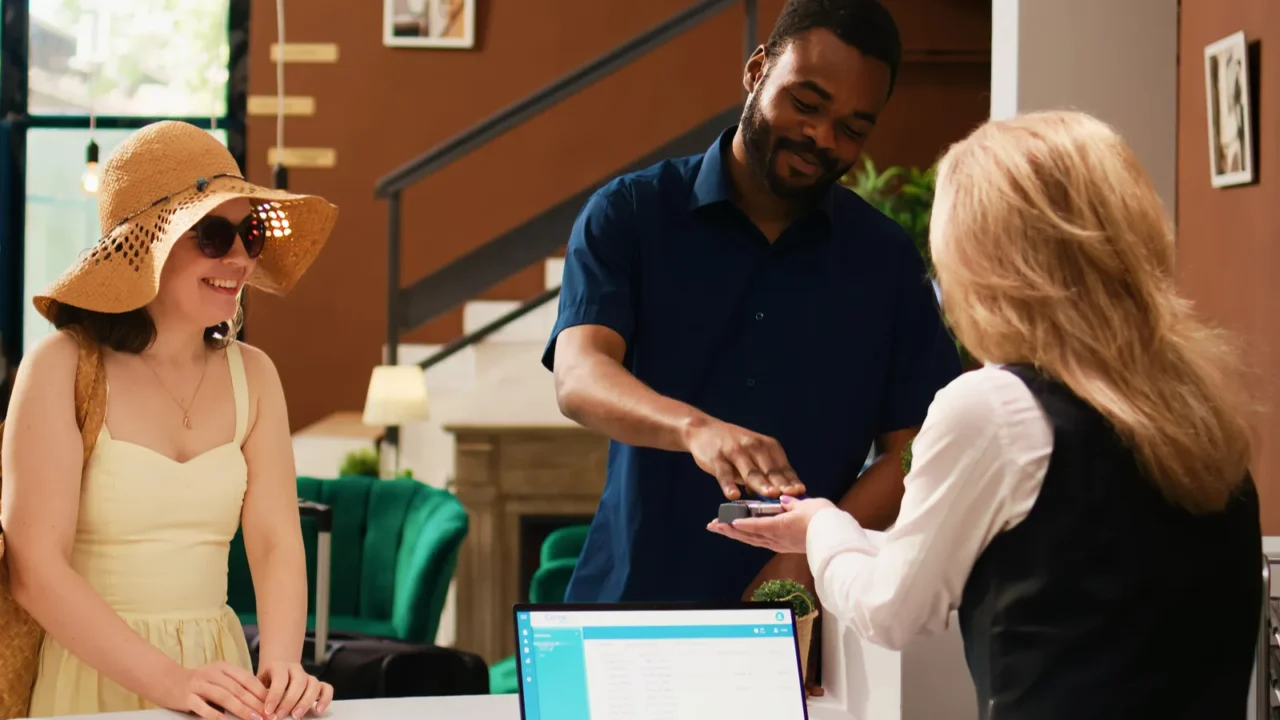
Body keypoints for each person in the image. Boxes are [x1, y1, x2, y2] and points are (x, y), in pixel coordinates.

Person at [709, 110, 1263, 719]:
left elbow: (892, 610)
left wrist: (820, 529)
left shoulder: (996, 409)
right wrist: (836, 532)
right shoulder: (1200, 406)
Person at [543, 0, 961, 606]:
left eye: (852, 128)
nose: (821, 137)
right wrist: (696, 428)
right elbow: (579, 378)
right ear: (757, 70)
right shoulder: (631, 213)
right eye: (807, 103)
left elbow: (919, 446)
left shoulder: (884, 257)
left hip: (802, 616)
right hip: (631, 598)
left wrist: (805, 555)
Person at [1, 121, 340, 719]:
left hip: (219, 676)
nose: (238, 257)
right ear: (146, 248)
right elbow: (34, 569)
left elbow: (275, 541)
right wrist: (172, 684)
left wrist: (284, 663)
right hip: (90, 676)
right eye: (212, 235)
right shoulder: (58, 367)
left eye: (250, 233)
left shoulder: (255, 375)